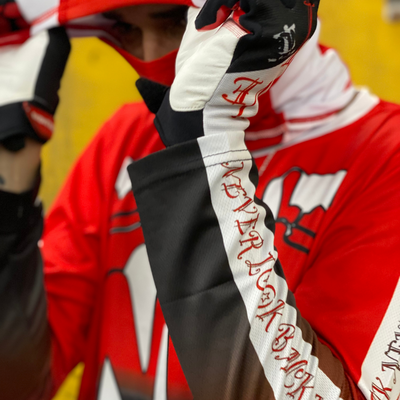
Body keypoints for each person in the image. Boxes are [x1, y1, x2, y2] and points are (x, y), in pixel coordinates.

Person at [0, 1, 399, 400]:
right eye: (125, 31)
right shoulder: (125, 139)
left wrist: (203, 146)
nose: (151, 55)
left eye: (173, 21)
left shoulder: (386, 156)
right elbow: (18, 384)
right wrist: (10, 174)